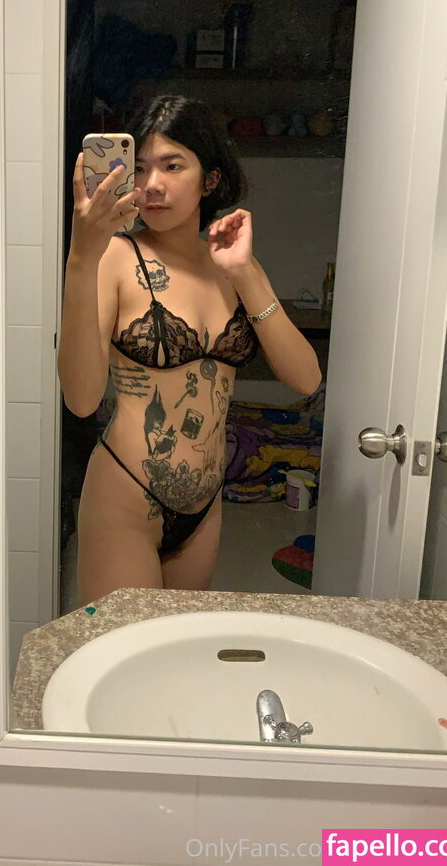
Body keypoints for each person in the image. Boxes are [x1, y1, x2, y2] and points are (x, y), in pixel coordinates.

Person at [57, 95, 322, 605]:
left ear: (211, 179)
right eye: (139, 168)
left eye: (172, 165)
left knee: (178, 647)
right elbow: (82, 399)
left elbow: (307, 378)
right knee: (130, 651)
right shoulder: (114, 258)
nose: (151, 184)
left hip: (204, 506)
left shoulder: (230, 264)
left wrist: (245, 272)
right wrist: (81, 259)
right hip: (125, 496)